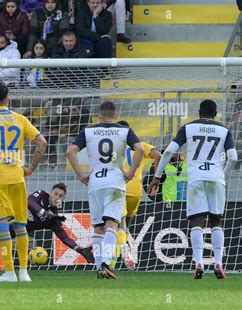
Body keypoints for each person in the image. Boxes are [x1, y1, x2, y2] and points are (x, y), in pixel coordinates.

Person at [148, 100, 238, 280]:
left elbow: (167, 152)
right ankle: (219, 263)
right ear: (215, 113)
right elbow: (233, 158)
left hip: (196, 178)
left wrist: (157, 176)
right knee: (216, 220)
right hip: (216, 178)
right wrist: (222, 173)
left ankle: (199, 263)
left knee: (196, 220)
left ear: (199, 112)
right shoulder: (224, 130)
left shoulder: (188, 128)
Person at [0, 83, 47, 282]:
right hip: (17, 177)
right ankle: (24, 272)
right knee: (20, 224)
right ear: (8, 99)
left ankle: (9, 272)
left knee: (2, 224)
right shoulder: (20, 119)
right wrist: (30, 167)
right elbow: (42, 142)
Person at [66, 101, 143, 279]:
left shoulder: (88, 131)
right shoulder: (124, 131)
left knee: (98, 227)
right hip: (115, 181)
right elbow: (139, 148)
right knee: (112, 225)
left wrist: (80, 174)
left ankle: (99, 265)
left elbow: (70, 151)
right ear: (116, 115)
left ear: (99, 116)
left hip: (95, 182)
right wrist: (130, 173)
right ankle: (107, 262)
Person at [108, 120, 161, 271]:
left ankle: (124, 251)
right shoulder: (141, 145)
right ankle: (113, 261)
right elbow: (158, 155)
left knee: (118, 224)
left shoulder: (112, 146)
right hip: (135, 191)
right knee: (124, 224)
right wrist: (155, 177)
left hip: (119, 186)